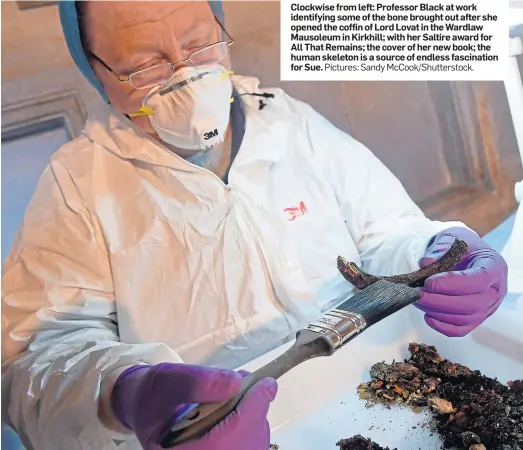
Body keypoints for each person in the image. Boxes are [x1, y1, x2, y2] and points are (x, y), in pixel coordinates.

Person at [1, 2, 508, 450]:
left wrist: (442, 248)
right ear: (97, 72)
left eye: (200, 44)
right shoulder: (78, 184)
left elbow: (385, 231)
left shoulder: (290, 123)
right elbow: (35, 365)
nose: (184, 75)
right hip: (217, 431)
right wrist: (125, 393)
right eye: (143, 65)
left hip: (372, 400)